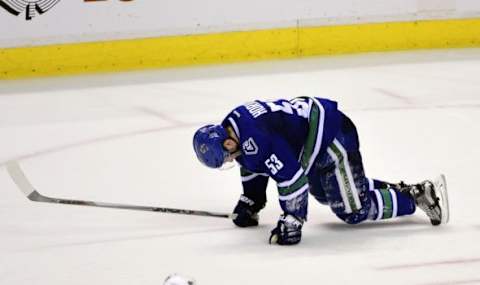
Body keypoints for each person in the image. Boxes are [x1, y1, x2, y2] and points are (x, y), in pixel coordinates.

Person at [192, 96, 449, 245]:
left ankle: (418, 196)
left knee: (353, 210)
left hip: (331, 137)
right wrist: (252, 201)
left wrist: (293, 219)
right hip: (310, 141)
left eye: (227, 157)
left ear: (228, 143)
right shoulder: (233, 129)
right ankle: (401, 190)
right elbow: (253, 163)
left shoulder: (254, 138)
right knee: (327, 195)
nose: (231, 160)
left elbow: (291, 178)